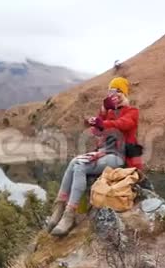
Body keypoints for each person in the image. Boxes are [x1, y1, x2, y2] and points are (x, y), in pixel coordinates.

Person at [48, 77, 142, 236]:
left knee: (81, 165)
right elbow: (96, 132)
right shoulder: (110, 112)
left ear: (125, 94)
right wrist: (103, 111)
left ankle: (69, 215)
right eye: (112, 91)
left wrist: (103, 122)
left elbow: (123, 124)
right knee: (74, 161)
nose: (115, 94)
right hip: (105, 152)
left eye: (119, 91)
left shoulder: (132, 112)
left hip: (119, 157)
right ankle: (59, 208)